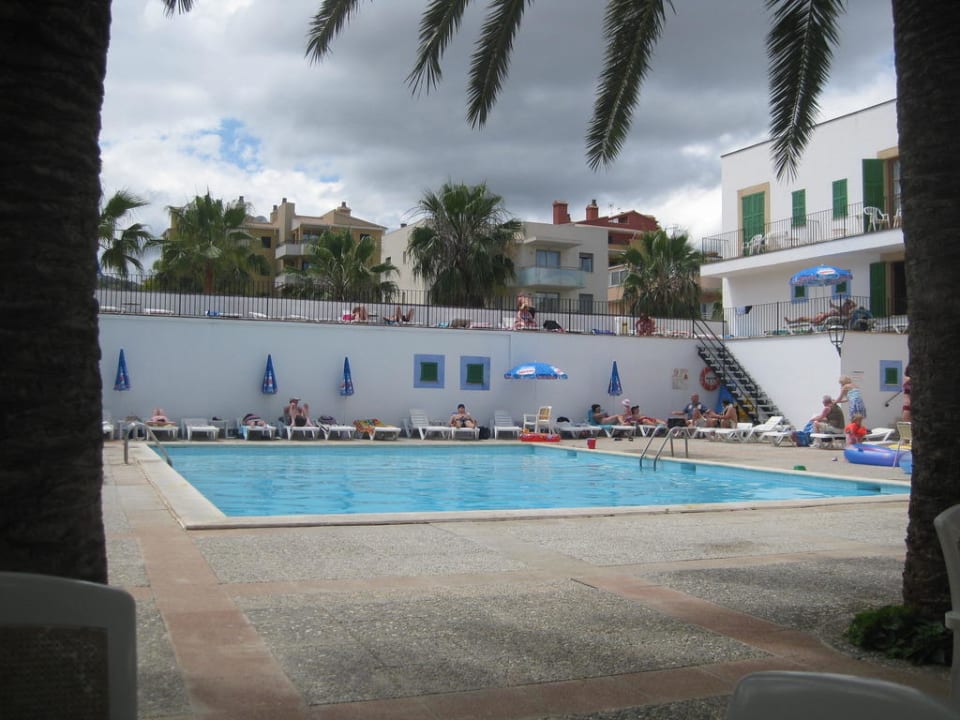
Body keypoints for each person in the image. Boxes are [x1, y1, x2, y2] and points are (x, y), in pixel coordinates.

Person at [784, 298, 857, 325]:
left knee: (805, 319)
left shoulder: (846, 313)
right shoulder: (842, 310)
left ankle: (791, 322)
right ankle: (791, 322)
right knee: (803, 318)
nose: (843, 305)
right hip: (822, 316)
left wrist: (849, 301)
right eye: (844, 304)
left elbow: (855, 305)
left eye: (845, 304)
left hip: (822, 318)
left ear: (848, 307)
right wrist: (832, 306)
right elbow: (837, 307)